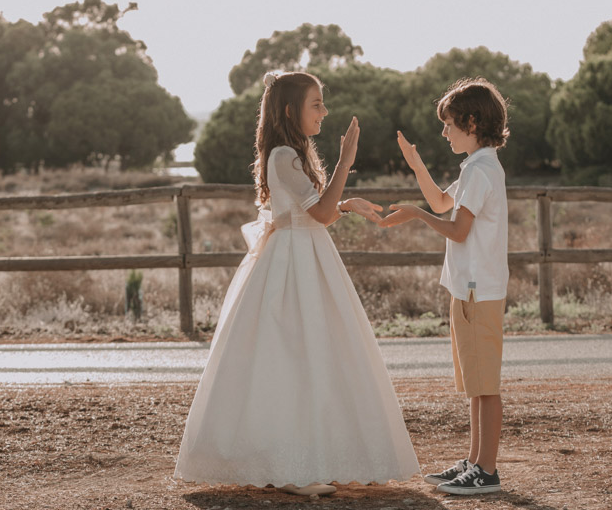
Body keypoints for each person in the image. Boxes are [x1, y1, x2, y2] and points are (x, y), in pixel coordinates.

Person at [174, 71, 420, 496]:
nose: (324, 112)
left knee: (315, 356)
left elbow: (315, 210)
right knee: (288, 355)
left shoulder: (291, 154)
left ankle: (312, 458)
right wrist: (345, 160)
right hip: (292, 264)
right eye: (316, 104)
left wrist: (345, 204)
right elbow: (317, 216)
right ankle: (288, 468)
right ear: (290, 110)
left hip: (305, 254)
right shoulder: (283, 155)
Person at [381, 77, 509, 495]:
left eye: (449, 123)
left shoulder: (482, 169)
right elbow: (442, 202)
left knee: (484, 386)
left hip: (477, 291)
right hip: (468, 290)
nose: (444, 131)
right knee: (475, 383)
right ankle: (474, 462)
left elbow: (455, 229)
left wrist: (416, 214)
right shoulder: (476, 166)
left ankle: (485, 472)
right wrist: (417, 166)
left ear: (472, 122)